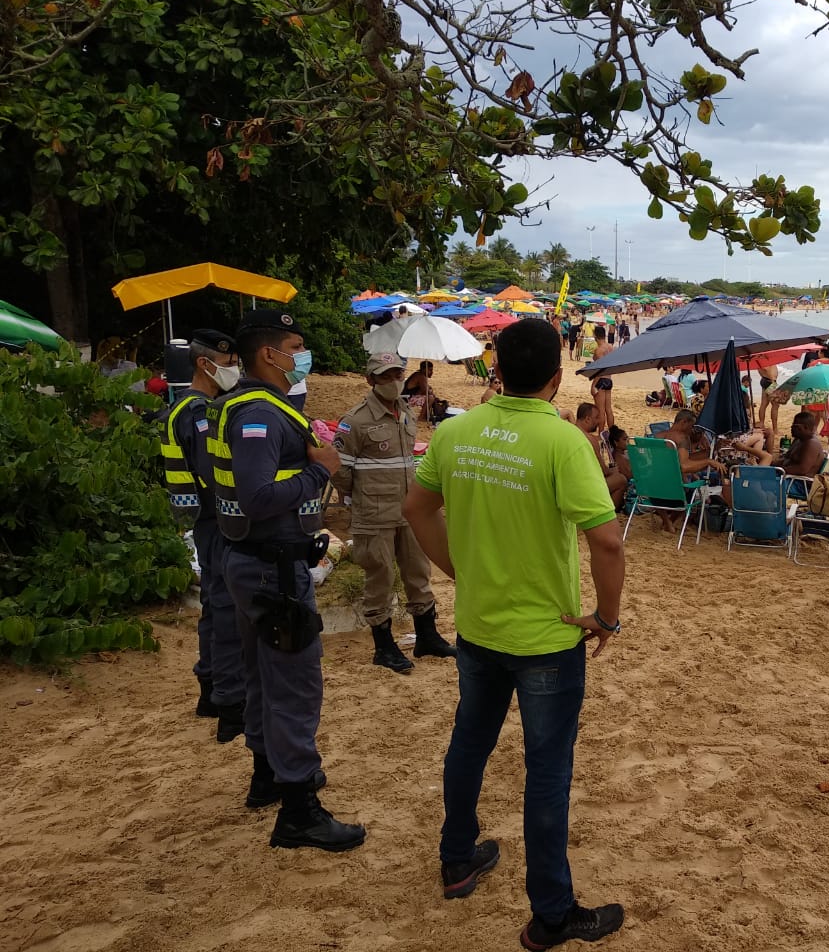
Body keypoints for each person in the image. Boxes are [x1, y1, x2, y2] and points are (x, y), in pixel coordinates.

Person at [402, 318, 626, 949]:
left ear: (495, 368)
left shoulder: (456, 431)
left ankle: (457, 857)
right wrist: (607, 618)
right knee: (546, 772)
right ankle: (552, 914)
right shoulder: (561, 442)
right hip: (547, 640)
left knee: (469, 745)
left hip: (478, 629)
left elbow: (416, 510)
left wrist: (460, 571)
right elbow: (607, 540)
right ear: (557, 380)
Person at [211, 307, 364, 851]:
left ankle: (267, 777)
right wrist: (320, 470)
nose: (303, 355)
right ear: (270, 354)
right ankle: (300, 809)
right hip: (271, 568)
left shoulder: (238, 406)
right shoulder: (257, 414)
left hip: (252, 563)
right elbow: (254, 497)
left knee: (260, 675)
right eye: (296, 345)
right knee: (295, 686)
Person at [332, 352, 455, 676]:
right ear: (371, 380)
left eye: (397, 374)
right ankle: (383, 646)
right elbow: (339, 470)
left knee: (418, 572)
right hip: (374, 513)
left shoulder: (405, 412)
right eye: (385, 376)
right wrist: (357, 498)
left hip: (408, 509)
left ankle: (426, 635)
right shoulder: (355, 420)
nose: (393, 381)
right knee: (380, 577)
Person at [159, 328, 244, 739]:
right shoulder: (199, 414)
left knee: (215, 608)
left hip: (205, 524)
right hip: (218, 523)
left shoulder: (184, 408)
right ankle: (229, 706)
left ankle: (210, 689)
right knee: (227, 613)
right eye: (228, 364)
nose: (234, 370)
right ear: (203, 364)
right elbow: (217, 477)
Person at [589, 326, 615, 433]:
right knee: (608, 409)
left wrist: (593, 385)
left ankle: (601, 434)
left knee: (600, 411)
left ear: (595, 336)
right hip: (609, 380)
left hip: (601, 380)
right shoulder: (610, 347)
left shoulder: (599, 350)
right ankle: (612, 432)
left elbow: (600, 369)